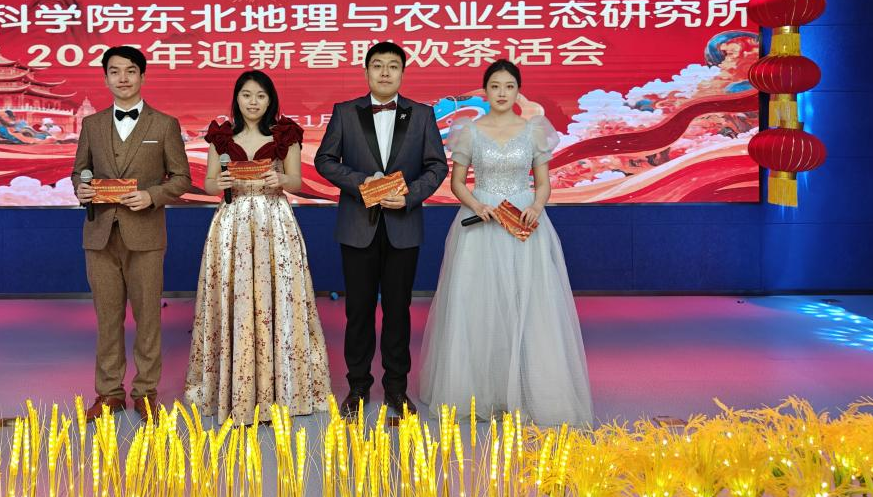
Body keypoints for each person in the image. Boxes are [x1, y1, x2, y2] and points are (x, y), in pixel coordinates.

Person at [419, 59, 593, 426]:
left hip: (524, 222)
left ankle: (529, 390)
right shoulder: (468, 130)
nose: (501, 93)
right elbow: (457, 183)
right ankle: (484, 391)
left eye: (509, 86)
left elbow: (543, 183)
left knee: (529, 304)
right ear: (485, 91)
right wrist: (477, 205)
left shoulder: (534, 130)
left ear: (518, 91)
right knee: (478, 304)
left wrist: (536, 206)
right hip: (480, 223)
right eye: (495, 86)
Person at [183, 70, 332, 424]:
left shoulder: (285, 135)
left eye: (260, 96)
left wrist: (280, 179)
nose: (253, 102)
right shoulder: (221, 138)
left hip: (274, 222)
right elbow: (208, 185)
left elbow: (296, 182)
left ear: (270, 101)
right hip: (231, 224)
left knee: (279, 300)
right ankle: (234, 390)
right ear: (236, 98)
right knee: (232, 298)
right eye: (246, 95)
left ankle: (282, 390)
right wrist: (219, 182)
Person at [314, 41, 449, 419]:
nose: (385, 72)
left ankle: (396, 389)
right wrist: (363, 183)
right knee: (357, 311)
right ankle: (358, 387)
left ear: (403, 73)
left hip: (403, 227)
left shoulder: (422, 114)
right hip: (358, 227)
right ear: (366, 71)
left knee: (398, 311)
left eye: (393, 66)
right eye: (378, 65)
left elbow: (437, 166)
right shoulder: (345, 112)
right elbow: (325, 160)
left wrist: (408, 196)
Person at [72, 46, 191, 420]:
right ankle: (109, 393)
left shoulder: (164, 125)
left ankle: (145, 391)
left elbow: (182, 178)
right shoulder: (91, 125)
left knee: (148, 318)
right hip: (100, 234)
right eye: (114, 71)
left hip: (146, 235)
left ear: (142, 76)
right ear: (105, 77)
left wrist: (152, 196)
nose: (122, 78)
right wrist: (81, 189)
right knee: (107, 318)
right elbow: (79, 170)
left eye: (130, 71)